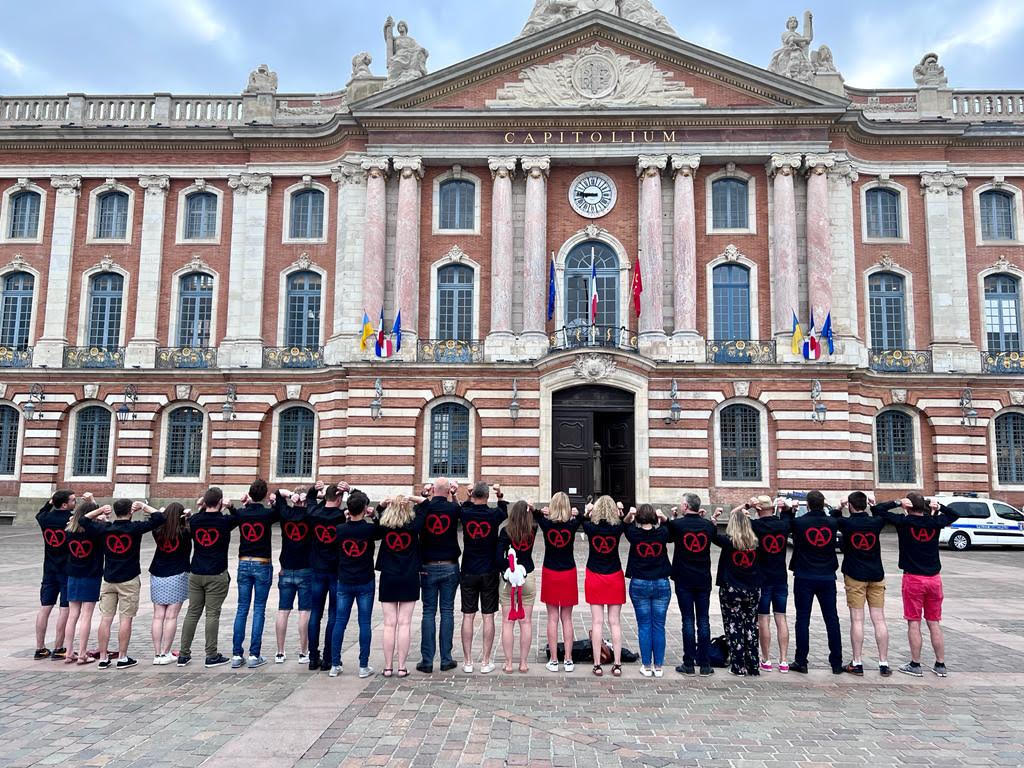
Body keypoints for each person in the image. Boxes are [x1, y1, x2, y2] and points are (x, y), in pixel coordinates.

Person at [874, 494, 959, 677]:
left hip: (913, 579)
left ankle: (915, 663)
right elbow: (954, 514)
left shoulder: (903, 522)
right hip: (934, 579)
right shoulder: (934, 522)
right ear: (925, 507)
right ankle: (940, 664)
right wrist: (940, 507)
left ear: (908, 506)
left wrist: (897, 503)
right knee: (934, 622)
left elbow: (877, 510)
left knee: (914, 623)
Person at [91, 499, 166, 669]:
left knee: (106, 619)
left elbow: (83, 520)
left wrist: (99, 510)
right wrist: (143, 506)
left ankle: (103, 657)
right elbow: (160, 518)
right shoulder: (135, 528)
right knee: (126, 619)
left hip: (109, 578)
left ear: (115, 512)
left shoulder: (105, 528)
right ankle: (122, 657)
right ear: (130, 512)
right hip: (129, 579)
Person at [178, 487, 240, 668]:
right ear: (220, 502)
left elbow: (191, 522)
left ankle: (183, 654)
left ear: (204, 503)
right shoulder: (224, 521)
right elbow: (238, 518)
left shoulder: (196, 520)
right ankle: (211, 655)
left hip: (196, 572)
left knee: (192, 612)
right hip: (216, 573)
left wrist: (200, 508)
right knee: (212, 614)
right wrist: (232, 506)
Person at [789, 490, 843, 674]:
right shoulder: (832, 522)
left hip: (804, 576)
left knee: (802, 619)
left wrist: (790, 509)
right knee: (832, 619)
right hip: (827, 576)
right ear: (823, 504)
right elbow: (836, 516)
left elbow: (786, 524)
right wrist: (837, 509)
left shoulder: (799, 523)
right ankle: (836, 662)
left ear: (808, 505)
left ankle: (801, 661)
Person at [836, 491, 890, 676]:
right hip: (876, 574)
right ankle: (883, 663)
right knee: (879, 619)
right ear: (866, 505)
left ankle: (857, 662)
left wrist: (839, 507)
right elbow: (883, 512)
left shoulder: (847, 523)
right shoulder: (876, 522)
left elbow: (833, 518)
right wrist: (874, 505)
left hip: (855, 575)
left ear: (850, 505)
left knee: (857, 620)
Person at [230, 478, 280, 670]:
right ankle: (253, 655)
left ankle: (236, 654)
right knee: (259, 608)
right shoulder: (267, 515)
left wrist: (239, 507)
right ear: (265, 495)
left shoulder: (242, 514)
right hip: (262, 564)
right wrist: (275, 502)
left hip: (244, 563)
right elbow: (279, 513)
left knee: (242, 608)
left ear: (249, 494)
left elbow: (235, 516)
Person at [375, 494, 427, 678]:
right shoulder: (414, 527)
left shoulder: (385, 526)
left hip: (389, 576)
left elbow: (376, 519)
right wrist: (413, 498)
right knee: (405, 623)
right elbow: (425, 507)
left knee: (389, 624)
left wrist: (382, 505)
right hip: (409, 576)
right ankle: (402, 667)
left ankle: (388, 667)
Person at [458, 482, 507, 674]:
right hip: (489, 571)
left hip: (469, 570)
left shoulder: (466, 513)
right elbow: (504, 509)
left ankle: (468, 662)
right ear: (487, 497)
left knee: (468, 616)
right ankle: (486, 662)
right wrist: (500, 494)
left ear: (472, 495)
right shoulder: (494, 515)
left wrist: (468, 496)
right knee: (488, 616)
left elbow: (463, 507)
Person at [666, 493, 716, 676]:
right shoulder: (708, 526)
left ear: (686, 506)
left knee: (687, 620)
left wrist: (672, 518)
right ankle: (704, 664)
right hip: (703, 578)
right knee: (703, 620)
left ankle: (688, 663)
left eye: (681, 504)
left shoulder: (677, 524)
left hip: (683, 579)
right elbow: (710, 532)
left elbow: (669, 537)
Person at [328, 490, 377, 678]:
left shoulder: (340, 530)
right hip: (365, 580)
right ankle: (363, 666)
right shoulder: (369, 529)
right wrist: (376, 515)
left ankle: (334, 664)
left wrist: (345, 517)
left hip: (344, 580)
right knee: (364, 623)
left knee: (340, 622)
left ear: (348, 509)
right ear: (365, 509)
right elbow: (382, 529)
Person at [416, 478, 462, 674]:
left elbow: (416, 522)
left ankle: (427, 661)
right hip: (450, 566)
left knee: (428, 612)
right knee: (447, 612)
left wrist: (425, 496)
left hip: (428, 565)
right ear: (449, 491)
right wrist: (455, 494)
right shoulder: (453, 509)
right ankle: (446, 659)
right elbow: (461, 510)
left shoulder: (425, 509)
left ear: (432, 489)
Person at [537, 491, 583, 672]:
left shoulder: (546, 525)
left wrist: (543, 512)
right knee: (567, 618)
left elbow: (534, 513)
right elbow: (584, 519)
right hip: (568, 573)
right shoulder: (572, 526)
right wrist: (576, 514)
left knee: (552, 618)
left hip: (550, 572)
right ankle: (569, 660)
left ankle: (554, 660)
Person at [712, 507, 762, 676]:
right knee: (751, 626)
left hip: (732, 589)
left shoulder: (728, 541)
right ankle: (753, 665)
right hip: (752, 589)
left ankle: (738, 665)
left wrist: (713, 520)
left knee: (733, 626)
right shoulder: (755, 542)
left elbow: (711, 535)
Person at [624, 503, 671, 677]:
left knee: (644, 625)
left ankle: (646, 665)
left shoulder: (634, 534)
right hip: (661, 583)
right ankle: (658, 667)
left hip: (639, 583)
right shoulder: (662, 533)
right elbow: (670, 526)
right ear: (654, 518)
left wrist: (630, 514)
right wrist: (663, 517)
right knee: (659, 625)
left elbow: (625, 524)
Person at [582, 495, 625, 677]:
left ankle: (597, 664)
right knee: (615, 622)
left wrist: (587, 511)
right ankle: (617, 664)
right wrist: (621, 512)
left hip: (595, 575)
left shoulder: (590, 528)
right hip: (614, 575)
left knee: (597, 622)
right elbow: (626, 523)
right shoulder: (617, 528)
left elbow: (582, 520)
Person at [61, 497, 108, 665]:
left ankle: (68, 652)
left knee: (72, 615)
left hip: (72, 574)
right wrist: (103, 517)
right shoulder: (96, 531)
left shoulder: (69, 530)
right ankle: (82, 653)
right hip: (91, 575)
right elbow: (105, 528)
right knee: (86, 616)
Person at [748, 496, 792, 673]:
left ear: (758, 510)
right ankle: (783, 660)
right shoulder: (783, 525)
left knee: (763, 618)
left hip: (762, 578)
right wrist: (786, 507)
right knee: (781, 618)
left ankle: (765, 660)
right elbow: (789, 515)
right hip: (780, 577)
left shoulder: (756, 526)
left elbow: (737, 518)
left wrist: (747, 506)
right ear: (772, 508)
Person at [274, 484, 317, 664]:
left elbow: (277, 496)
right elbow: (320, 505)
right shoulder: (311, 516)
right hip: (305, 568)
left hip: (286, 568)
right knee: (304, 612)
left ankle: (280, 652)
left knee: (283, 610)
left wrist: (288, 494)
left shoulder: (285, 515)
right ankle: (303, 652)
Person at [306, 483, 347, 671]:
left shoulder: (314, 514)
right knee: (333, 615)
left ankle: (313, 657)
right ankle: (328, 657)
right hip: (335, 571)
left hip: (317, 569)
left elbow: (310, 500)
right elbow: (358, 504)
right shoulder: (341, 517)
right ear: (339, 500)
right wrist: (350, 490)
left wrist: (315, 490)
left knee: (315, 614)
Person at [148, 502, 191, 665]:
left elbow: (155, 520)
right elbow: (193, 525)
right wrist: (188, 518)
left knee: (158, 616)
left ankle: (157, 653)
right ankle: (166, 652)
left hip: (158, 574)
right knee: (171, 616)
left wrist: (159, 513)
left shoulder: (157, 530)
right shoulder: (185, 532)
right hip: (177, 574)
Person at [497, 500, 537, 674]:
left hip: (509, 580)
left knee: (508, 622)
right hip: (528, 577)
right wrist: (533, 510)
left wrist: (508, 569)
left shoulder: (506, 532)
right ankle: (523, 663)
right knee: (526, 622)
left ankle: (508, 663)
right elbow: (540, 518)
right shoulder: (533, 529)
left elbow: (498, 558)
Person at [35, 489, 75, 660]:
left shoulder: (45, 519)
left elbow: (40, 513)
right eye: (73, 500)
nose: (75, 502)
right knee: (64, 610)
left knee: (45, 608)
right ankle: (58, 648)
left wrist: (50, 502)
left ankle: (40, 648)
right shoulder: (71, 520)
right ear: (65, 504)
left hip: (49, 569)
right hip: (66, 570)